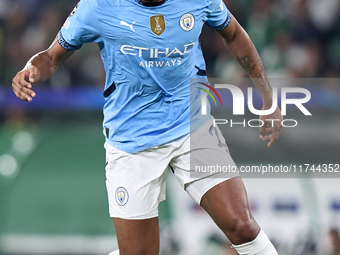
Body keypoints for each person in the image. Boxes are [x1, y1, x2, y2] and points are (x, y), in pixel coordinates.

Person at [12, 0, 283, 254]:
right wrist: (30, 70)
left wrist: (268, 97)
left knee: (242, 226)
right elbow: (50, 57)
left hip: (192, 126)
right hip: (132, 142)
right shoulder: (99, 6)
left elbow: (233, 34)